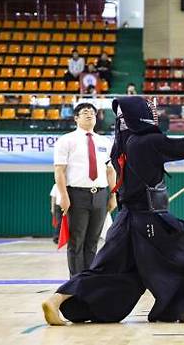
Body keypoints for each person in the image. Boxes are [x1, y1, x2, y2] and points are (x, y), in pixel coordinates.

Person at [41, 96, 184, 325]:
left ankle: (57, 299)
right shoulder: (148, 142)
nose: (155, 114)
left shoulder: (123, 144)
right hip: (151, 221)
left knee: (106, 270)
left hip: (126, 221)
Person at [53, 102, 117, 277]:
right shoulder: (66, 140)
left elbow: (110, 170)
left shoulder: (104, 142)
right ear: (76, 118)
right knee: (76, 242)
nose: (90, 114)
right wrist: (64, 196)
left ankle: (89, 279)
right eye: (85, 112)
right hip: (76, 195)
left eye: (92, 113)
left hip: (101, 194)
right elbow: (59, 170)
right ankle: (76, 280)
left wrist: (113, 195)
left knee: (93, 241)